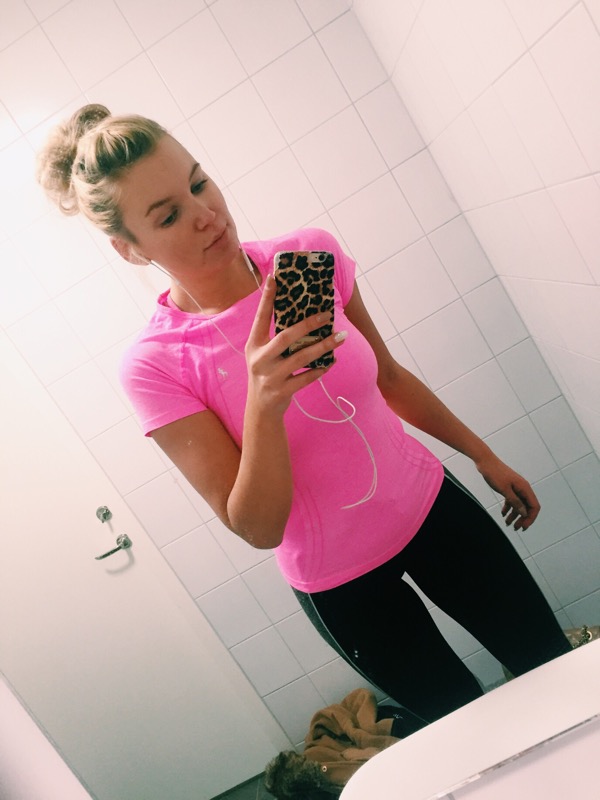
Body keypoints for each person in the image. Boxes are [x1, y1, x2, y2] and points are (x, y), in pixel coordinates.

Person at [36, 104, 572, 724]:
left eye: (199, 183)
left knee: (553, 668)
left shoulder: (303, 261)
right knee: (463, 726)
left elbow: (389, 378)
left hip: (432, 509)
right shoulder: (159, 364)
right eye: (169, 215)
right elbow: (257, 527)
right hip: (342, 583)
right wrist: (264, 403)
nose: (207, 214)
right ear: (130, 249)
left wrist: (483, 454)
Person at [263, 688, 425, 799]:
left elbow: (331, 720)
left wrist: (358, 736)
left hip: (370, 732)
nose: (305, 757)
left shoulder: (314, 753)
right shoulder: (324, 783)